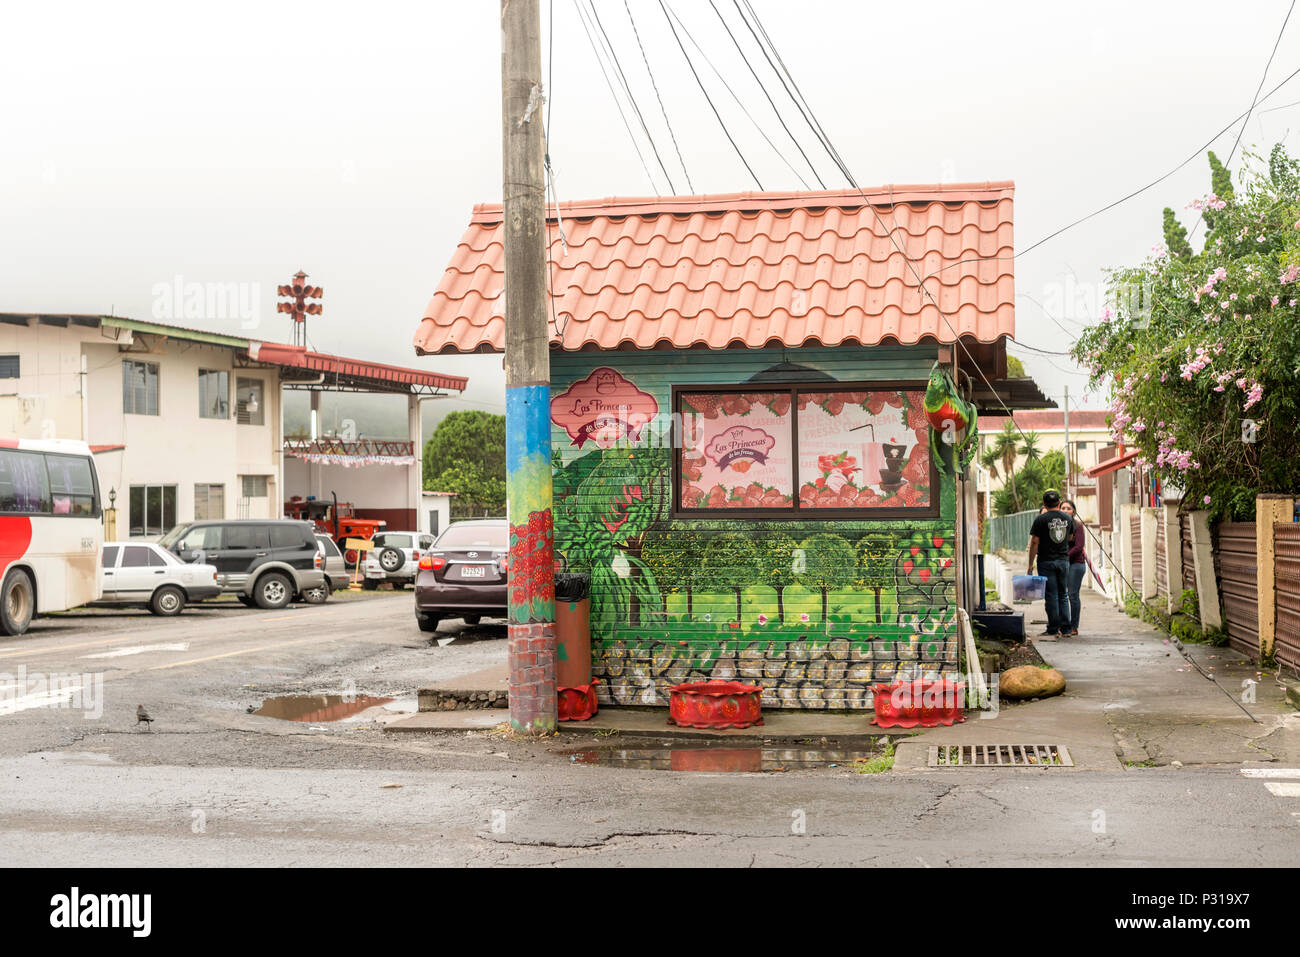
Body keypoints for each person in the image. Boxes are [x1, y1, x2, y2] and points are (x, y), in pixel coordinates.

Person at [1025, 489, 1074, 638]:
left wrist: (1030, 564)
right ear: (1059, 503)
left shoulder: (1040, 520)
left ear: (1044, 503)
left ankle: (1053, 628)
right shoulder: (1068, 519)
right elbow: (1070, 538)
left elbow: (1034, 542)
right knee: (1063, 595)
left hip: (1046, 561)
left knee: (1051, 596)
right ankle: (1066, 629)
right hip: (1063, 561)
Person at [1061, 499, 1086, 636]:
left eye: (1068, 508)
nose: (1065, 511)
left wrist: (1064, 557)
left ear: (1073, 512)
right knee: (1061, 595)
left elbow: (1078, 547)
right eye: (1063, 508)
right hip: (1062, 564)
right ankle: (1064, 625)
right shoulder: (1058, 527)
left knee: (1072, 595)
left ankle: (1074, 626)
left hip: (1076, 564)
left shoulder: (1078, 526)